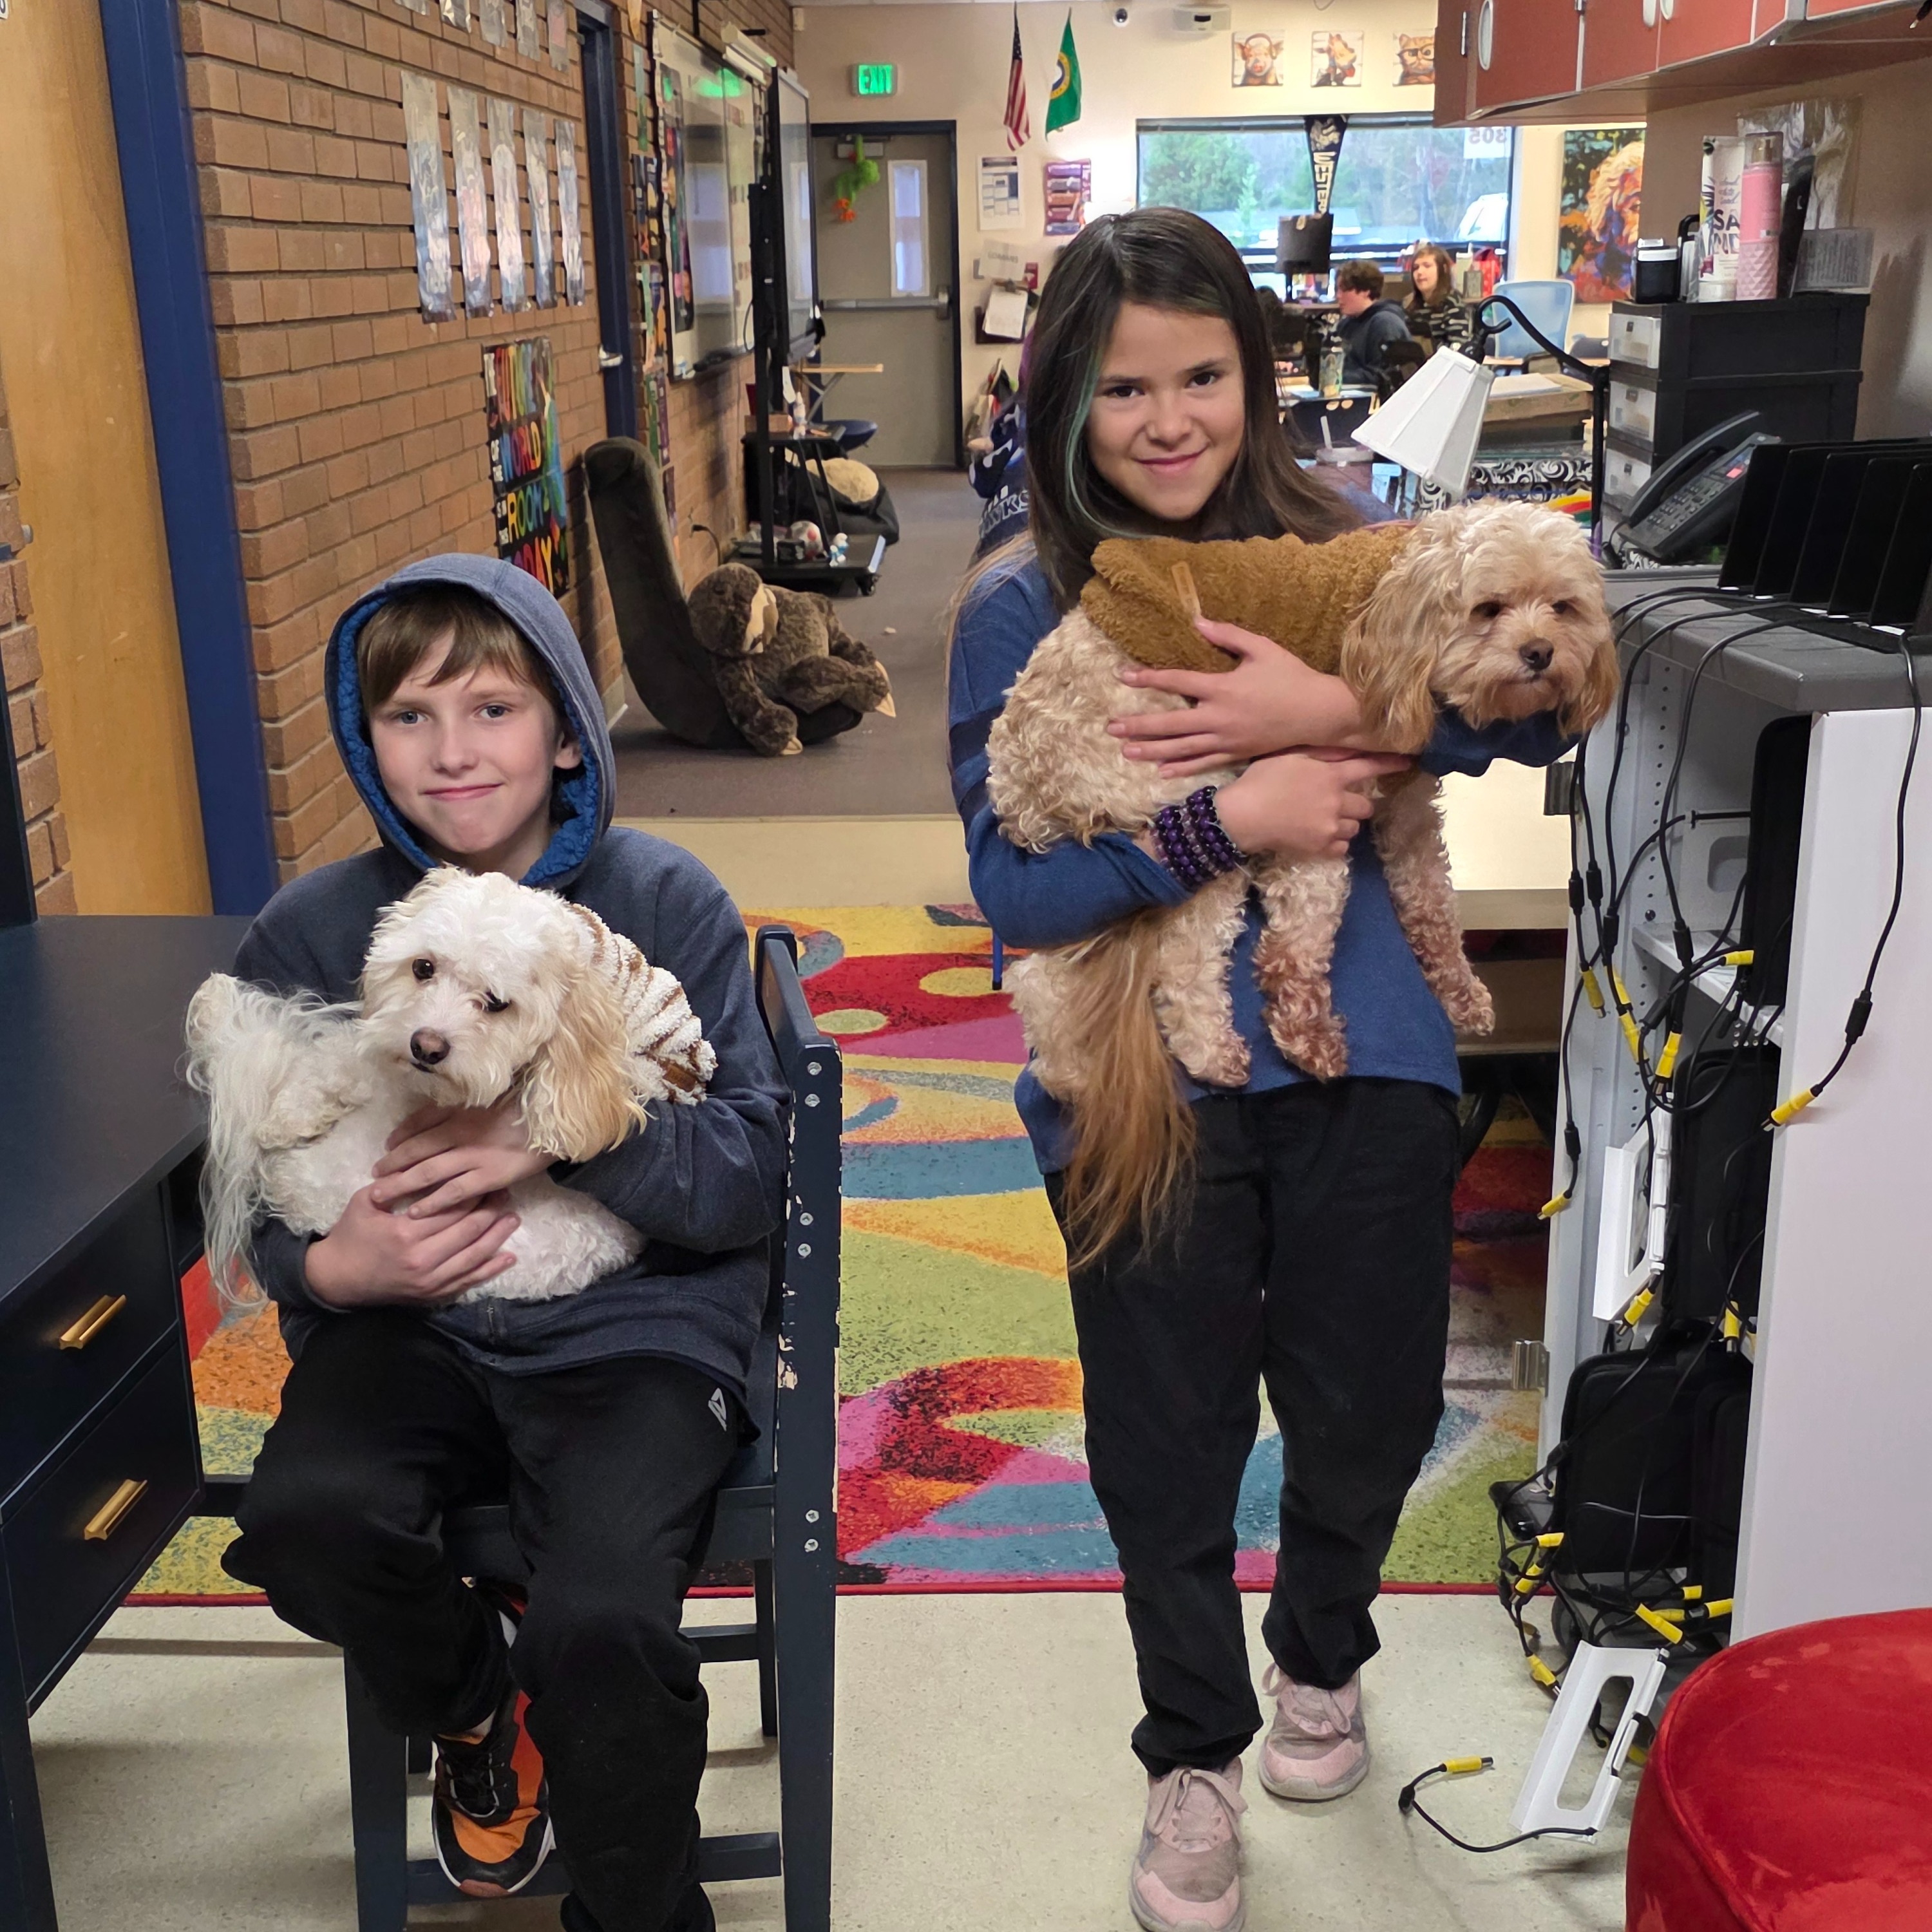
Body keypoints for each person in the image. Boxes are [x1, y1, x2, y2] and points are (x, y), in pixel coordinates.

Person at [946, 207, 1569, 1932]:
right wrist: (1229, 816)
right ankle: (1192, 1753)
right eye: (1123, 386)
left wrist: (1327, 717)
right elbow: (1012, 888)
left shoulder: (1351, 541)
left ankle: (1320, 1650)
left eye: (1202, 377)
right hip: (1140, 1080)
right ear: (1064, 398)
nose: (1167, 420)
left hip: (1367, 1053)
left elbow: (1543, 701)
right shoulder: (1017, 601)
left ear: (1257, 374)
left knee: (1369, 1409)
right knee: (1165, 1440)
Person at [220, 556, 788, 1932]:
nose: (454, 752)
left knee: (605, 1627)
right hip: (405, 1325)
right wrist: (326, 1274)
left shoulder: (666, 899)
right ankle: (481, 1709)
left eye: (492, 709)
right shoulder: (315, 927)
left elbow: (752, 1180)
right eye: (409, 716)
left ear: (567, 731)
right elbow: (254, 1168)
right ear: (363, 737)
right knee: (303, 1523)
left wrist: (562, 1136)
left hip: (639, 1331)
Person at [1332, 259, 1414, 388]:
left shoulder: (1385, 324)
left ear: (1366, 291)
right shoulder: (1346, 324)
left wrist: (1334, 377)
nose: (1338, 296)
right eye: (1338, 290)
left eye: (1344, 290)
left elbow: (1382, 376)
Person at [1403, 243, 1482, 359]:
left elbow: (1457, 348)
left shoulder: (1452, 302)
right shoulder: (1410, 304)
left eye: (1427, 266)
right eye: (1416, 268)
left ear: (1443, 269)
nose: (1420, 272)